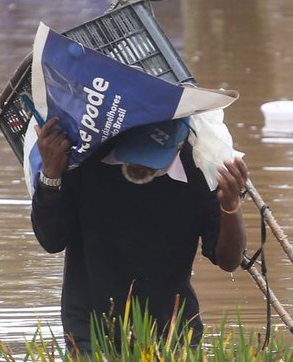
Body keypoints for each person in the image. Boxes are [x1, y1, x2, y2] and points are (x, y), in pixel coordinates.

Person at [30, 115, 248, 354]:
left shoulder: (200, 170)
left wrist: (231, 205)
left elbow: (229, 261)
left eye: (153, 159)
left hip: (173, 330)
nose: (140, 166)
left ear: (178, 146)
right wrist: (50, 175)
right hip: (91, 330)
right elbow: (51, 241)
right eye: (134, 155)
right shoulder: (85, 159)